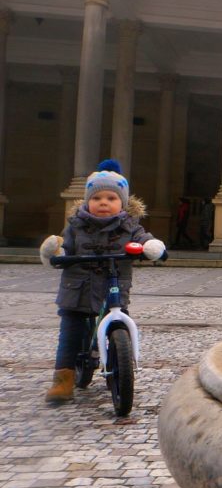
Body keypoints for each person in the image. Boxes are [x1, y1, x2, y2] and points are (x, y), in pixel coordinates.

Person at [39, 159, 166, 403]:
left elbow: (144, 239)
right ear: (87, 201)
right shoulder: (76, 225)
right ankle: (63, 379)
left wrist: (152, 248)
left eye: (111, 198)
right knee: (70, 334)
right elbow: (65, 247)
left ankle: (120, 364)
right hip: (77, 289)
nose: (103, 203)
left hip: (113, 288)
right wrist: (57, 254)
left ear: (123, 203)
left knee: (119, 325)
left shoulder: (129, 226)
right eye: (97, 198)